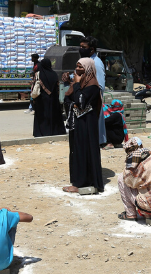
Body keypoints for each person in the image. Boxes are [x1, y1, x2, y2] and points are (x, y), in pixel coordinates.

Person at [63, 58, 104, 193]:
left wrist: (76, 85)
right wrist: (71, 85)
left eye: (80, 67)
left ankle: (81, 184)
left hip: (87, 124)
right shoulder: (80, 85)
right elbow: (67, 99)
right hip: (78, 123)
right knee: (77, 151)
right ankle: (77, 180)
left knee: (84, 151)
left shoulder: (92, 86)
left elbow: (81, 103)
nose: (77, 69)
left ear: (88, 69)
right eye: (76, 66)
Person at [77, 36, 107, 146]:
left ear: (92, 49)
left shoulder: (96, 63)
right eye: (80, 47)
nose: (81, 49)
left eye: (83, 47)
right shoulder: (85, 61)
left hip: (91, 101)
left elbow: (100, 85)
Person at [33, 58, 66, 138]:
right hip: (53, 100)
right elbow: (57, 88)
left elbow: (35, 86)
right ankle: (54, 131)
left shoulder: (39, 74)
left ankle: (42, 132)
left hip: (42, 100)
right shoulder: (54, 74)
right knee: (53, 115)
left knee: (42, 116)